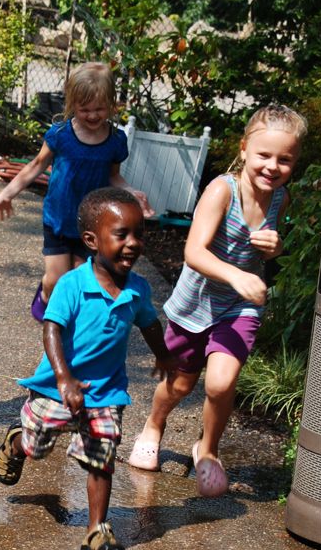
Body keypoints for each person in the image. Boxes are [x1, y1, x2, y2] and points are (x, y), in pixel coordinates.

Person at [128, 104, 307, 497]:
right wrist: (237, 275)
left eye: (285, 159)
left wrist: (274, 250)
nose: (273, 167)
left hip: (240, 306)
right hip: (196, 302)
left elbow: (264, 253)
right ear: (244, 149)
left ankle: (207, 450)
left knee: (222, 383)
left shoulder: (281, 199)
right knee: (179, 383)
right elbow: (194, 252)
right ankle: (154, 425)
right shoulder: (221, 190)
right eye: (264, 155)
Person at [0, 187, 176, 550]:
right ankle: (16, 443)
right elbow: (52, 329)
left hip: (106, 392)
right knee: (38, 444)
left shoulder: (137, 290)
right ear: (92, 240)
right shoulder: (73, 285)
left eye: (139, 234)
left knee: (101, 458)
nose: (133, 243)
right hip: (57, 388)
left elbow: (150, 324)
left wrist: (164, 355)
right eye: (121, 234)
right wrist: (63, 377)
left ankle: (96, 528)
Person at [0, 61, 154, 322]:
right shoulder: (60, 135)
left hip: (92, 225)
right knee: (55, 281)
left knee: (82, 283)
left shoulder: (115, 141)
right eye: (84, 109)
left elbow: (114, 177)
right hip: (59, 219)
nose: (92, 115)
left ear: (112, 105)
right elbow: (36, 166)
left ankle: (67, 330)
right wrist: (7, 193)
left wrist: (132, 191)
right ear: (72, 104)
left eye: (99, 109)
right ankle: (45, 304)